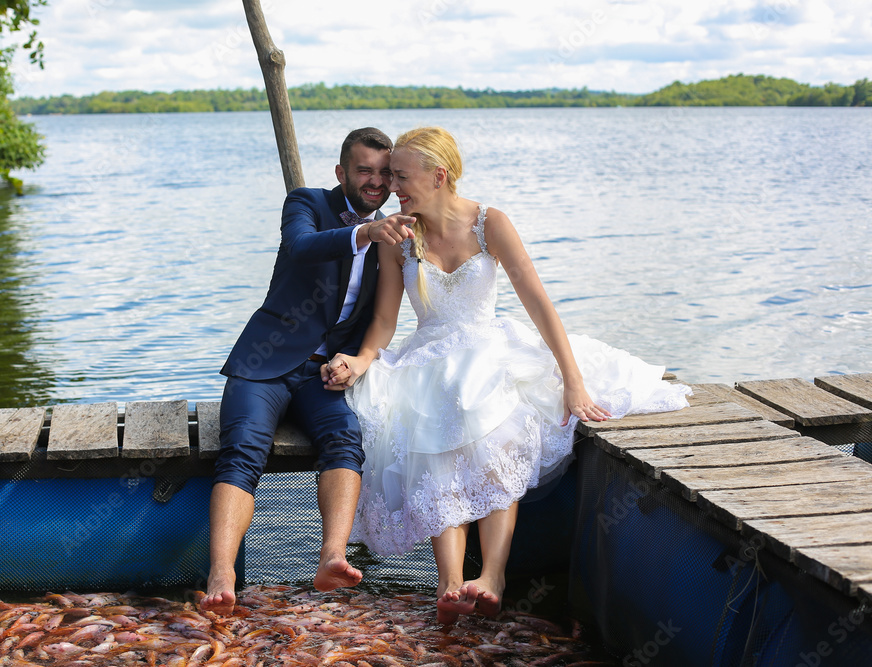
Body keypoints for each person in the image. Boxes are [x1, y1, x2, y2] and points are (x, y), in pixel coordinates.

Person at [322, 126, 691, 623]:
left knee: (497, 430)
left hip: (490, 347)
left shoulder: (488, 222)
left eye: (401, 176)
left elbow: (536, 299)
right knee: (429, 438)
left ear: (439, 175)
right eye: (390, 177)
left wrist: (573, 380)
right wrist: (363, 361)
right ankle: (449, 584)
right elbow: (386, 321)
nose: (392, 186)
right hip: (429, 356)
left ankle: (492, 575)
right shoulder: (398, 234)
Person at [202, 128, 416, 614]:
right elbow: (301, 247)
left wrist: (357, 362)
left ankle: (333, 558)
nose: (375, 182)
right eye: (364, 171)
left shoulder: (394, 235)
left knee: (345, 438)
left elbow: (384, 318)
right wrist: (363, 232)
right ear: (342, 173)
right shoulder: (306, 203)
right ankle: (221, 573)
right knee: (241, 450)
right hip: (265, 363)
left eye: (384, 173)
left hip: (324, 373)